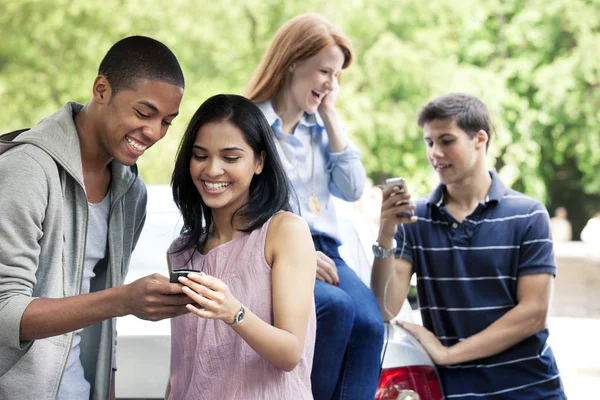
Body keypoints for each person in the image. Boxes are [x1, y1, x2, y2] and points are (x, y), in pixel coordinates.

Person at [0, 36, 190, 400]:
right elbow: (5, 313)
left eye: (166, 121)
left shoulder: (131, 193)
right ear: (101, 89)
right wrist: (123, 300)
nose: (153, 133)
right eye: (143, 113)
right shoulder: (27, 172)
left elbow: (103, 325)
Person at [371, 93, 566, 399]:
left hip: (531, 387)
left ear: (480, 139)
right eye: (429, 142)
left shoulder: (528, 213)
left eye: (446, 140)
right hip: (459, 392)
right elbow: (385, 308)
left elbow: (534, 313)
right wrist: (386, 234)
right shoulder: (415, 219)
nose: (435, 153)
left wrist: (450, 354)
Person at [245, 13, 384, 400]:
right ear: (292, 60)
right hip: (277, 251)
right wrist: (299, 254)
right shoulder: (248, 121)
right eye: (325, 71)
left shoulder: (322, 129)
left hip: (328, 251)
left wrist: (330, 115)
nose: (331, 83)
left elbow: (354, 188)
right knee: (335, 310)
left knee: (371, 325)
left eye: (337, 76)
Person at [166, 94, 316, 400]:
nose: (212, 170)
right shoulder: (182, 250)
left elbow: (290, 353)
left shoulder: (284, 232)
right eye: (200, 155)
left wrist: (232, 311)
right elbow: (183, 366)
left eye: (230, 158)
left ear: (259, 161)